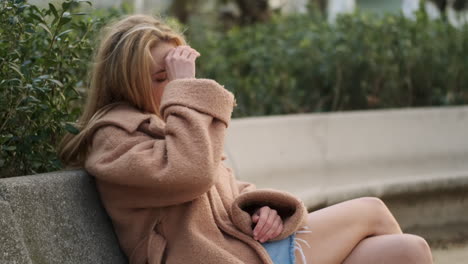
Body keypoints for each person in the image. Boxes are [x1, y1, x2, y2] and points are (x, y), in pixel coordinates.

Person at [59, 14, 433, 264]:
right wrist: (187, 91)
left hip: (249, 245)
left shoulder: (170, 125)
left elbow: (224, 187)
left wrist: (261, 209)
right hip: (226, 258)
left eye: (179, 77)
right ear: (128, 80)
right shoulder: (115, 139)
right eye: (165, 78)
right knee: (372, 210)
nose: (176, 88)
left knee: (408, 250)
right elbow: (192, 174)